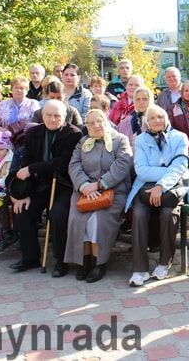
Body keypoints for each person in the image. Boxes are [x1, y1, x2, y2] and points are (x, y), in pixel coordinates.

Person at [126, 105, 189, 286]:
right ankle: (140, 269)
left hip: (174, 186)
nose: (157, 121)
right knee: (139, 214)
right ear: (147, 122)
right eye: (152, 118)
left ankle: (164, 262)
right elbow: (142, 170)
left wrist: (161, 185)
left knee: (168, 214)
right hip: (146, 187)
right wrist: (161, 177)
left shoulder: (179, 137)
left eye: (160, 116)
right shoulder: (141, 140)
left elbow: (180, 167)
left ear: (166, 118)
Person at [7, 100, 82, 276]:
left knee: (57, 215)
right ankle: (30, 258)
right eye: (49, 115)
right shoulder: (34, 133)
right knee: (23, 210)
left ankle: (61, 262)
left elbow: (61, 163)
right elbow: (27, 160)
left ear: (65, 117)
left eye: (57, 116)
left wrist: (32, 169)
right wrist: (24, 193)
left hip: (63, 184)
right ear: (42, 115)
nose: (53, 119)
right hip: (38, 185)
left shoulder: (73, 134)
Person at [65, 109, 133, 283]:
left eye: (99, 121)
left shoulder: (120, 140)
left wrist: (100, 184)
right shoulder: (83, 142)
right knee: (78, 218)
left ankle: (99, 262)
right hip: (85, 192)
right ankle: (83, 261)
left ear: (106, 121)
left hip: (112, 191)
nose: (96, 125)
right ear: (86, 126)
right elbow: (74, 165)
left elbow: (122, 165)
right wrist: (84, 185)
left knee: (97, 220)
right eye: (90, 123)